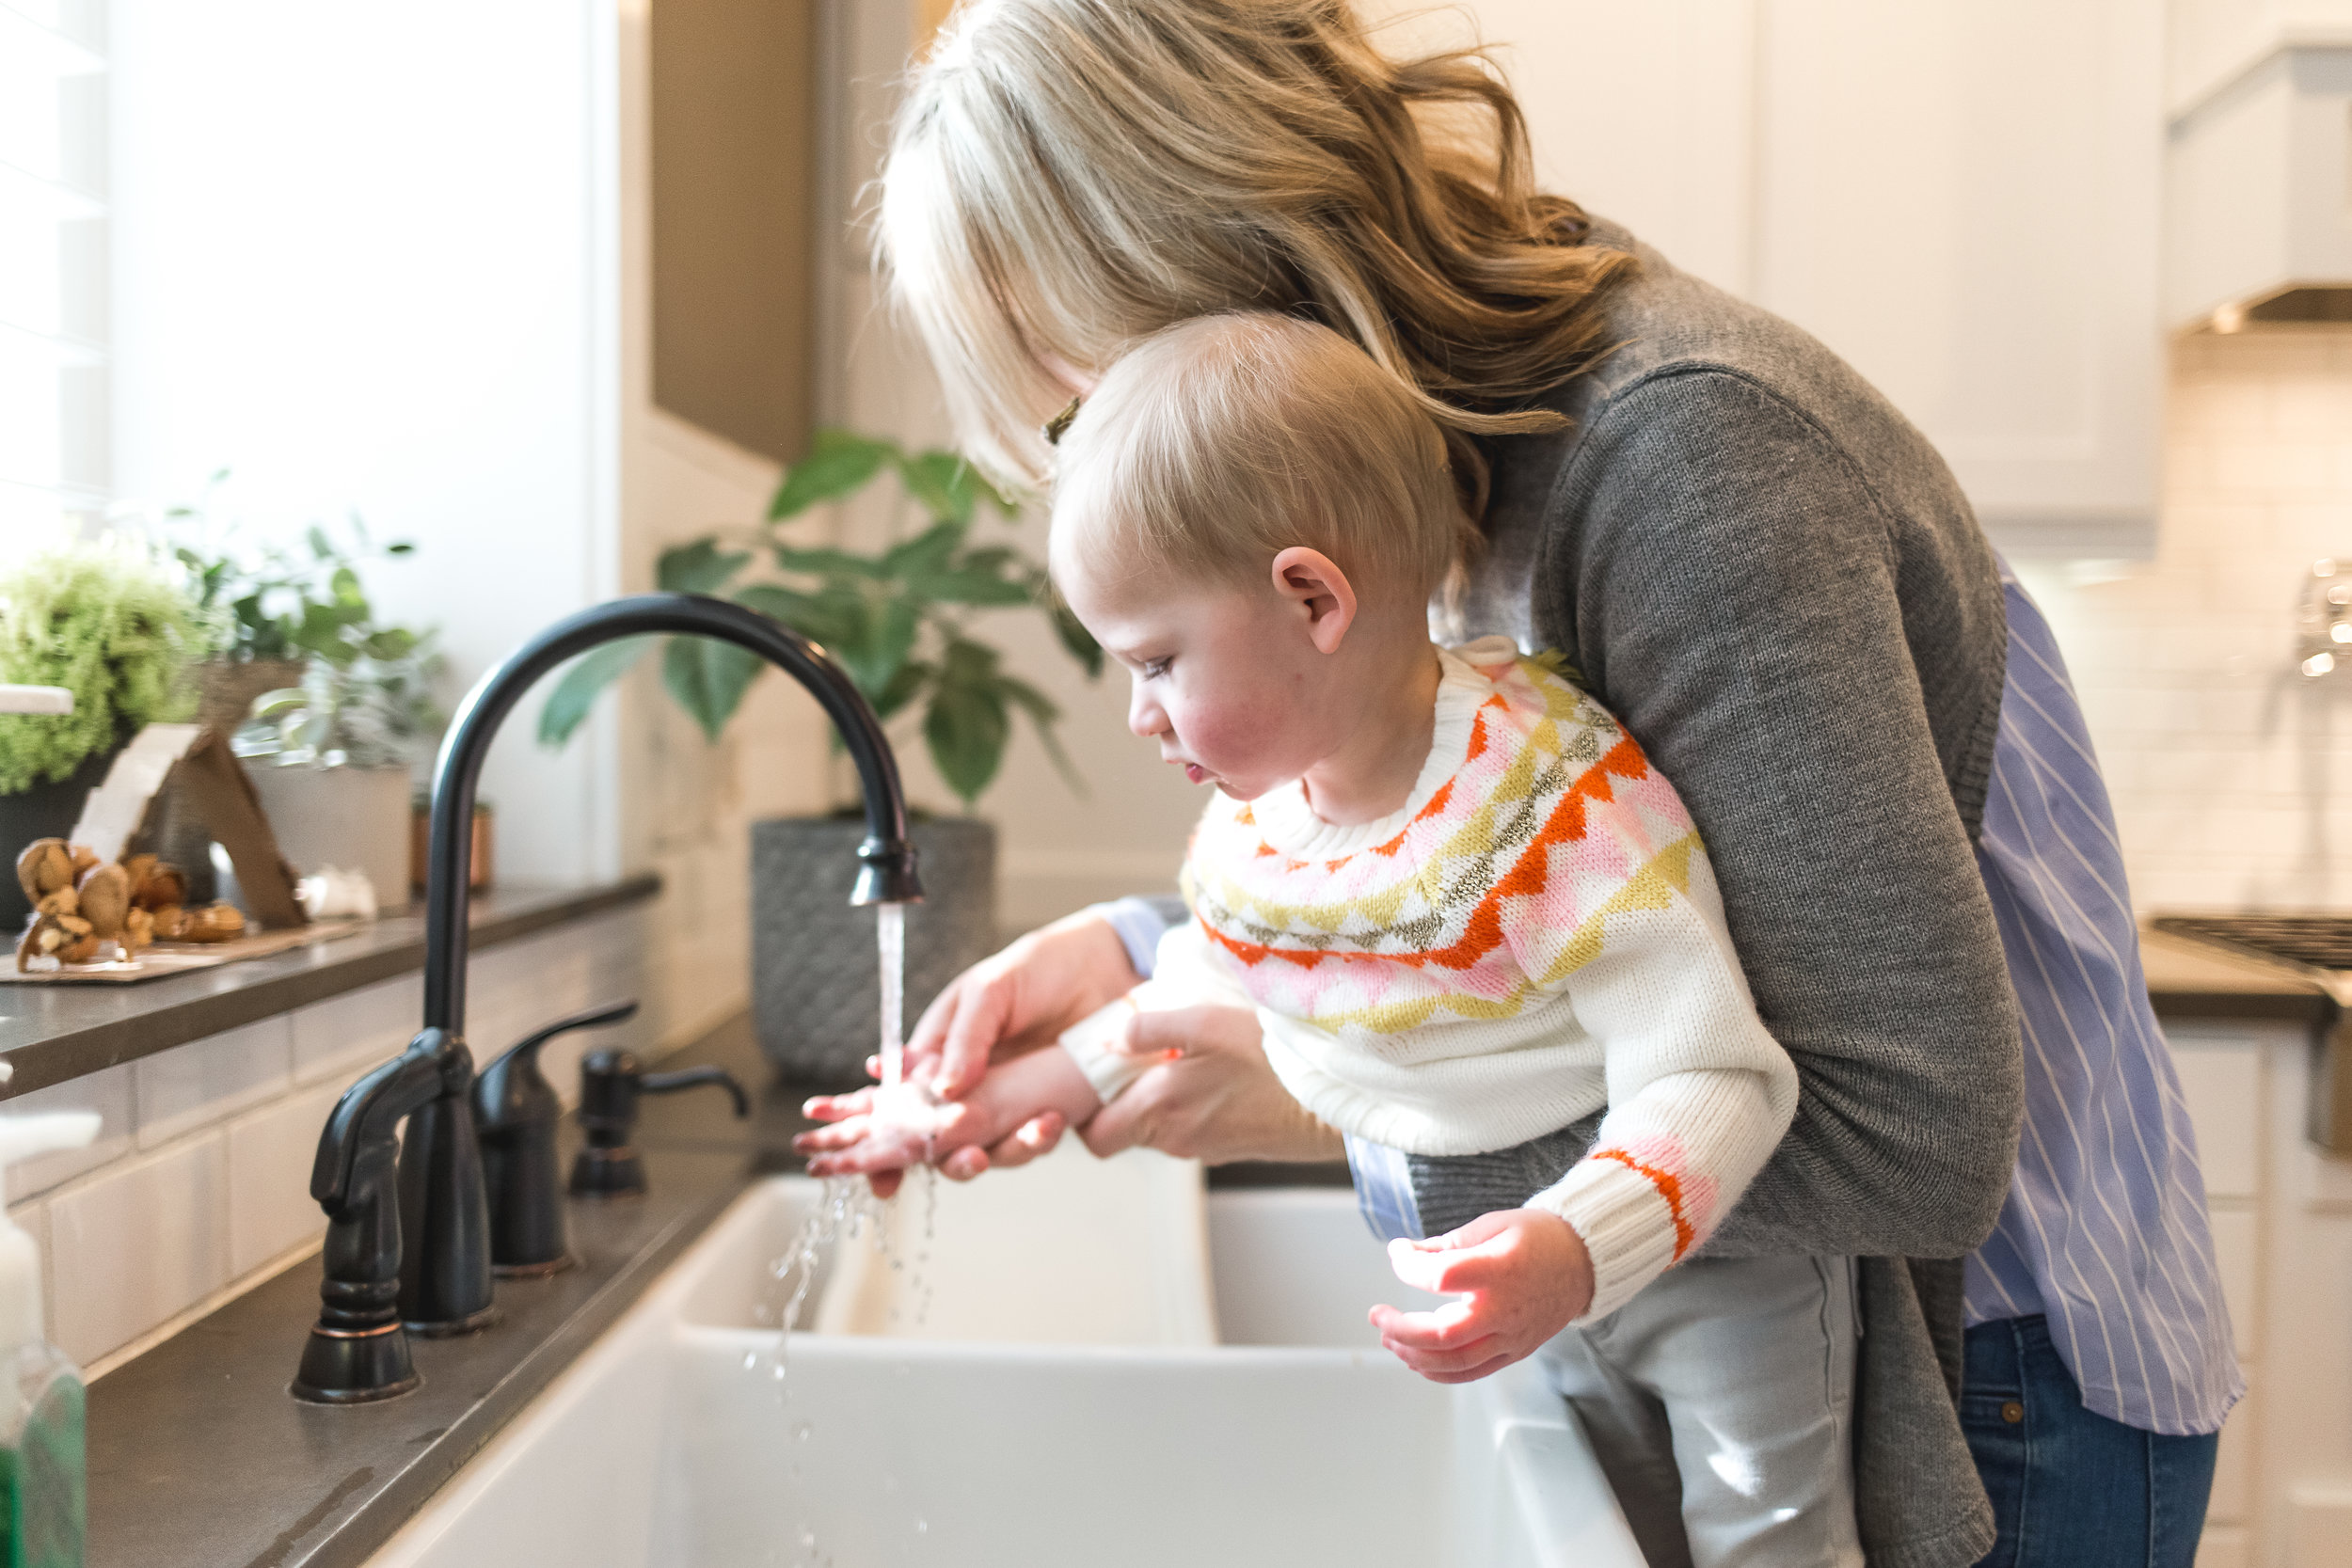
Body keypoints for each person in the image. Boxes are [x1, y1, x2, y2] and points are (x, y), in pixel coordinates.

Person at [807, 4, 2242, 1564]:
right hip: (1837, 1329)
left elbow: (1909, 1127)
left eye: (1098, 378)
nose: (1123, 437)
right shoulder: (1445, 456)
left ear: (1219, 251)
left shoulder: (1682, 458)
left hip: (1990, 1374)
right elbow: (1536, 860)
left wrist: (1342, 1115)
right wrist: (1144, 949)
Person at [798, 311, 1857, 1564]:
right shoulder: (1274, 823)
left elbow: (1713, 1073)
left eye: (1156, 661)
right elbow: (1224, 985)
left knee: (1772, 1547)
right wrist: (967, 1107)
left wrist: (1580, 1244)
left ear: (1311, 599)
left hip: (1717, 1275)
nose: (1140, 716)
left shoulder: (1546, 809)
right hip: (1524, 1286)